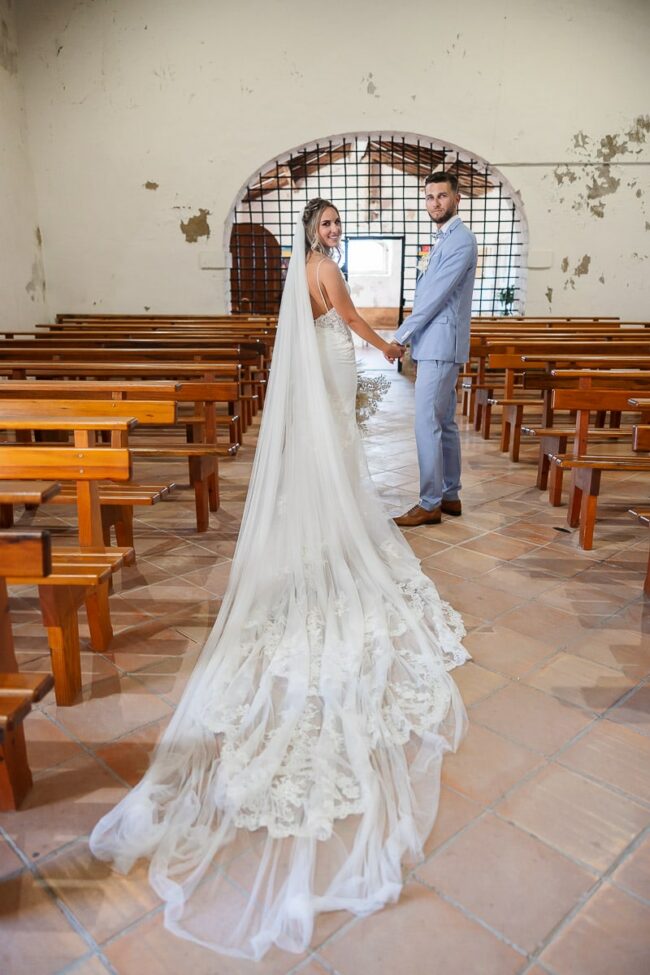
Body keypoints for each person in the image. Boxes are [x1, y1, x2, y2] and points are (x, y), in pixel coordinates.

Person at [89, 198, 469, 961]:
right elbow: (354, 323)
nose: (330, 234)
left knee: (333, 459)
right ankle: (342, 533)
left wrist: (369, 342)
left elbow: (320, 323)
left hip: (320, 369)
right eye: (325, 225)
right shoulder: (324, 270)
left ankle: (332, 525)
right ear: (313, 232)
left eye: (335, 225)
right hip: (337, 365)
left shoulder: (302, 271)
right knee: (340, 458)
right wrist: (387, 349)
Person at [390, 172, 478, 527]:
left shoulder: (460, 241)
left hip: (441, 343)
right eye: (429, 197)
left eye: (442, 196)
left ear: (456, 198)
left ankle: (430, 503)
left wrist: (400, 336)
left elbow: (435, 296)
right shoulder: (443, 238)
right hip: (436, 343)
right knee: (443, 421)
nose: (435, 203)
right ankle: (450, 495)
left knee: (426, 422)